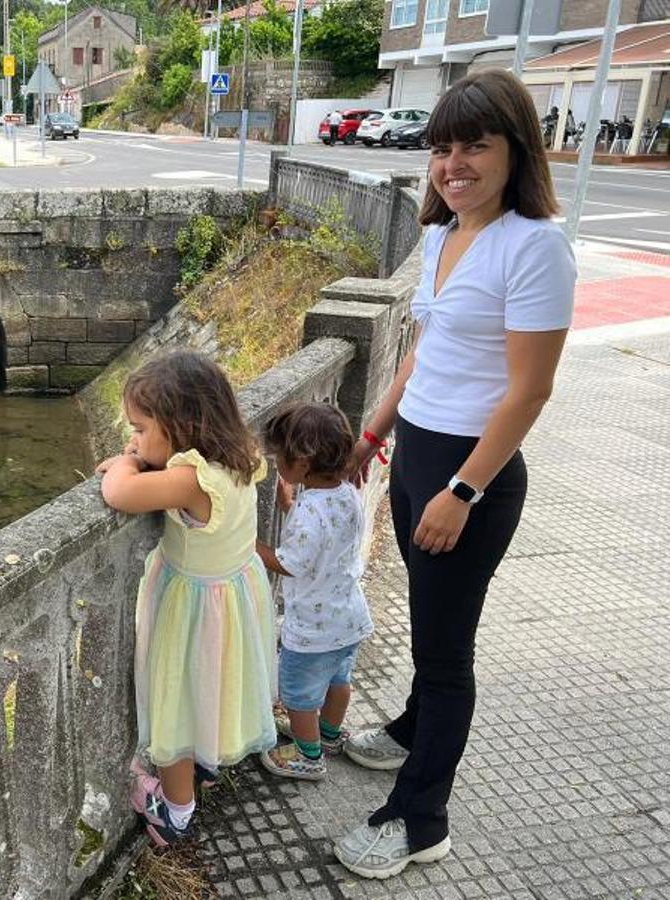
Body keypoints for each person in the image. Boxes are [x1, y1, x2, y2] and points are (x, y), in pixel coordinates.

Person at [334, 69, 576, 880]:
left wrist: (463, 490)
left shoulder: (535, 244)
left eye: (476, 145)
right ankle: (408, 728)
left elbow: (530, 389)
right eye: (442, 147)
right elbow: (423, 355)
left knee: (445, 655)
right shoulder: (441, 234)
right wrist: (373, 433)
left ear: (516, 151)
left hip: (472, 474)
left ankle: (419, 816)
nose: (454, 163)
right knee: (432, 627)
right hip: (418, 457)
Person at [96, 351, 277, 847]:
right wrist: (141, 451)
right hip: (233, 599)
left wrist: (129, 462)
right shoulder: (240, 455)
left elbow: (119, 493)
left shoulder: (191, 478)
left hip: (192, 610)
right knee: (211, 689)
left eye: (138, 429)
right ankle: (206, 763)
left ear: (181, 425)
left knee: (175, 704)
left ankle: (175, 811)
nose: (132, 440)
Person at [254, 402, 373, 782]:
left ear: (303, 463)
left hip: (313, 629)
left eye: (279, 459)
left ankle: (308, 756)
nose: (276, 466)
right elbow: (324, 538)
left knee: (298, 696)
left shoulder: (311, 512)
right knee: (340, 680)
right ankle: (330, 735)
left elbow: (292, 561)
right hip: (348, 616)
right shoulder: (347, 492)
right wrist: (290, 504)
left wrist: (251, 546)